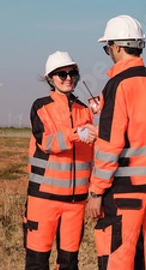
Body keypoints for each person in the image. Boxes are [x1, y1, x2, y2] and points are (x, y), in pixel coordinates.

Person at [86, 15, 146, 270]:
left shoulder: (118, 84)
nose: (108, 52)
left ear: (118, 47)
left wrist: (96, 192)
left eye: (107, 48)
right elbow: (140, 131)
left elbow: (111, 145)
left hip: (123, 190)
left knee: (118, 258)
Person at [24, 51, 98, 270]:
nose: (68, 78)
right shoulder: (40, 106)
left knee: (69, 263)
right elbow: (47, 143)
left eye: (72, 73)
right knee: (37, 262)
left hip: (75, 202)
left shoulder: (85, 110)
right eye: (61, 74)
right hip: (43, 200)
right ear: (50, 78)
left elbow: (92, 155)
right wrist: (76, 133)